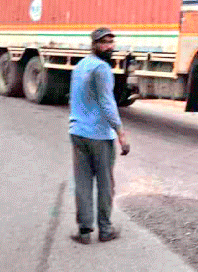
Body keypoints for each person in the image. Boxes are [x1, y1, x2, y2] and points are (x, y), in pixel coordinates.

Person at [69, 27, 131, 244]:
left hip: (77, 132)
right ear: (94, 44)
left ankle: (84, 231)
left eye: (111, 42)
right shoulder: (102, 68)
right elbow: (107, 102)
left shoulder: (80, 66)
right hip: (98, 136)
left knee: (83, 182)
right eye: (104, 42)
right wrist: (121, 133)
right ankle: (105, 229)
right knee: (105, 184)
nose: (109, 46)